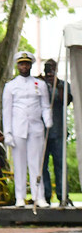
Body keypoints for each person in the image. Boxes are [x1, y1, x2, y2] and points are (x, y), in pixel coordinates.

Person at [1, 51, 52, 207]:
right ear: (18, 66)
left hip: (36, 128)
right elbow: (6, 111)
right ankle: (20, 197)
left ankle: (39, 196)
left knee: (36, 164)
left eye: (27, 64)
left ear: (30, 65)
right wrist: (7, 133)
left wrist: (48, 119)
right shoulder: (10, 86)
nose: (24, 66)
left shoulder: (40, 84)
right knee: (19, 164)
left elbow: (45, 105)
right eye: (22, 64)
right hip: (18, 129)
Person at [42, 59, 73, 205]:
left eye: (52, 69)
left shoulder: (64, 85)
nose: (49, 72)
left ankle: (62, 195)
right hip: (41, 133)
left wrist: (57, 84)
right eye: (47, 69)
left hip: (58, 131)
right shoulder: (39, 84)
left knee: (60, 164)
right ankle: (46, 195)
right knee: (43, 166)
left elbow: (65, 101)